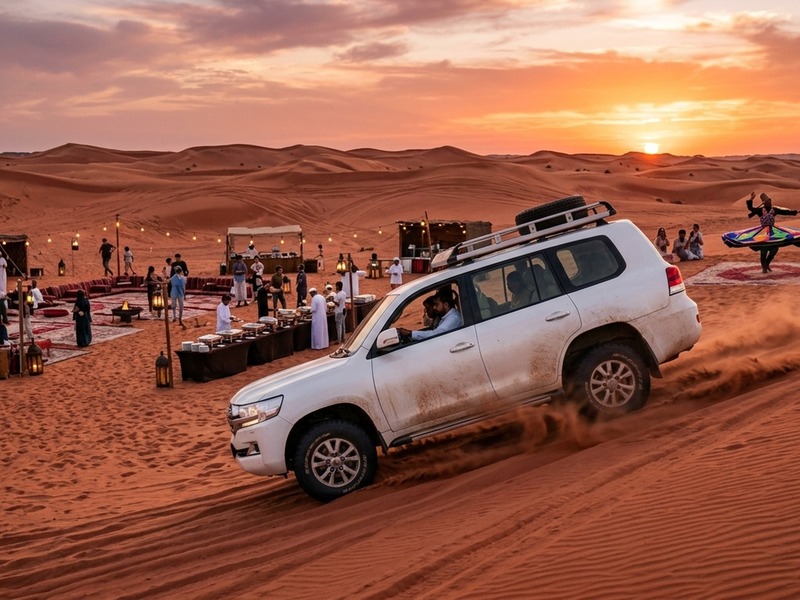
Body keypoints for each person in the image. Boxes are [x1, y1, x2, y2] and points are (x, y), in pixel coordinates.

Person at [746, 191, 798, 273]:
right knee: (763, 250)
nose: (770, 202)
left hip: (772, 231)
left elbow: (785, 212)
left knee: (774, 249)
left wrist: (796, 212)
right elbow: (751, 209)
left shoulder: (774, 209)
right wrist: (751, 199)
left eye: (770, 201)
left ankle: (767, 264)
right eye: (768, 201)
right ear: (764, 203)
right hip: (763, 231)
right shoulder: (760, 210)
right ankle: (764, 268)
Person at [397, 288, 462, 342]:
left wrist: (410, 333)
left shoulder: (453, 318)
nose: (434, 308)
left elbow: (436, 334)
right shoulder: (446, 316)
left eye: (436, 305)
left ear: (446, 305)